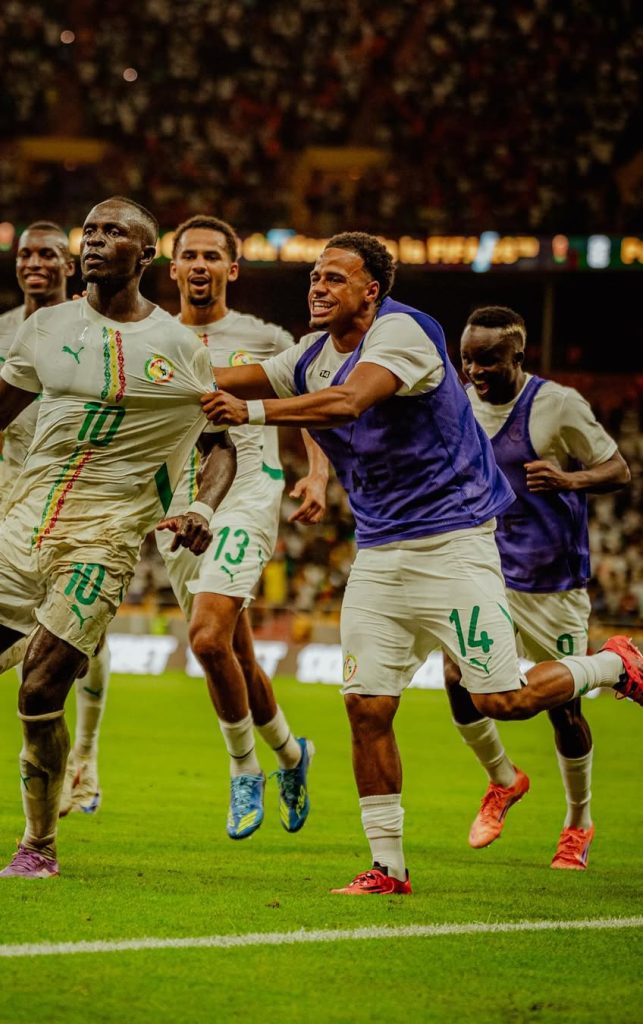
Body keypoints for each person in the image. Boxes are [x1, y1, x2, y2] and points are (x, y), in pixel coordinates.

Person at [202, 231, 643, 895]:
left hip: (452, 542)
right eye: (314, 276)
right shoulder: (311, 355)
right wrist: (144, 378)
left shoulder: (404, 332)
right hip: (379, 552)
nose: (317, 287)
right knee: (366, 707)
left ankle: (615, 663)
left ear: (371, 290)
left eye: (334, 278)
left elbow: (349, 401)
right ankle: (388, 868)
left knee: (500, 698)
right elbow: (225, 378)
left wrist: (251, 412)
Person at [0, 196, 237, 879]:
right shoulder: (46, 328)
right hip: (23, 527)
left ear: (145, 255)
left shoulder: (180, 347)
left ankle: (37, 845)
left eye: (111, 232)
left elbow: (220, 444)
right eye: (88, 230)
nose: (92, 241)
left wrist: (202, 509)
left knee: (38, 693)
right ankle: (51, 639)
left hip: (104, 539)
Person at [159, 215, 328, 838]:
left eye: (212, 256)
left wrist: (318, 473)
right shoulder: (151, 336)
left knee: (207, 640)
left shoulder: (264, 337)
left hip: (249, 492)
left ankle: (242, 769)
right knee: (237, 654)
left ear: (232, 269)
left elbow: (306, 403)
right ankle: (291, 753)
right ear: (173, 269)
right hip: (175, 506)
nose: (200, 265)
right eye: (190, 256)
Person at [443, 305, 630, 869]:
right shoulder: (461, 403)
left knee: (564, 713)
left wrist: (570, 478)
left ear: (518, 356)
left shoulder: (558, 405)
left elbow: (618, 469)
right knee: (456, 676)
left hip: (553, 582)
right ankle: (502, 779)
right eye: (467, 359)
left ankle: (578, 822)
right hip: (488, 572)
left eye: (487, 360)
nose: (474, 370)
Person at [0, 220, 109, 816]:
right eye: (26, 254)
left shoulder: (93, 324)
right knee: (29, 623)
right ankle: (42, 754)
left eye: (49, 254)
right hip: (15, 490)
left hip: (80, 487)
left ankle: (86, 754)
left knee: (86, 633)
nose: (35, 263)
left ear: (69, 264)